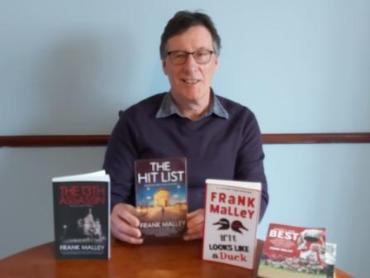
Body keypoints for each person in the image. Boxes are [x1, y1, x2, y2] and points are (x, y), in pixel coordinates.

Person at [103, 10, 269, 244]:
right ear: (165, 65)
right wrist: (113, 214)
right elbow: (109, 197)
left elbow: (257, 197)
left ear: (215, 62)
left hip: (219, 246)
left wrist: (218, 219)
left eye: (201, 54)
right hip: (148, 251)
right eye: (179, 55)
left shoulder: (242, 122)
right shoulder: (133, 121)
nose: (191, 67)